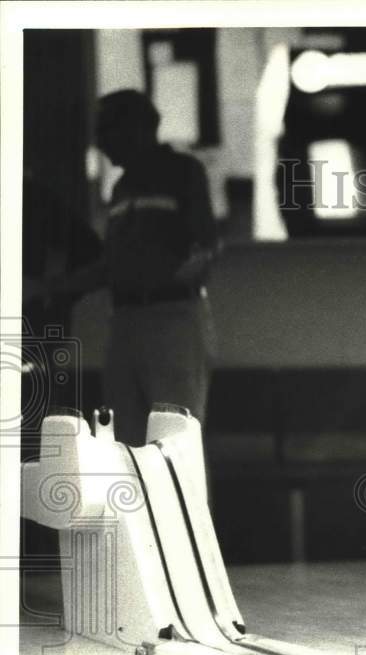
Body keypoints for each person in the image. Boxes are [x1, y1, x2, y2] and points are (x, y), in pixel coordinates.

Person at [52, 90, 220, 446]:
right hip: (125, 321)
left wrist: (175, 278)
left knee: (175, 440)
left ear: (140, 128)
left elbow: (206, 244)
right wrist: (57, 287)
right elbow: (113, 264)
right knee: (124, 439)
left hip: (172, 317)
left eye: (107, 129)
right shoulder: (121, 188)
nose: (101, 142)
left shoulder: (183, 171)